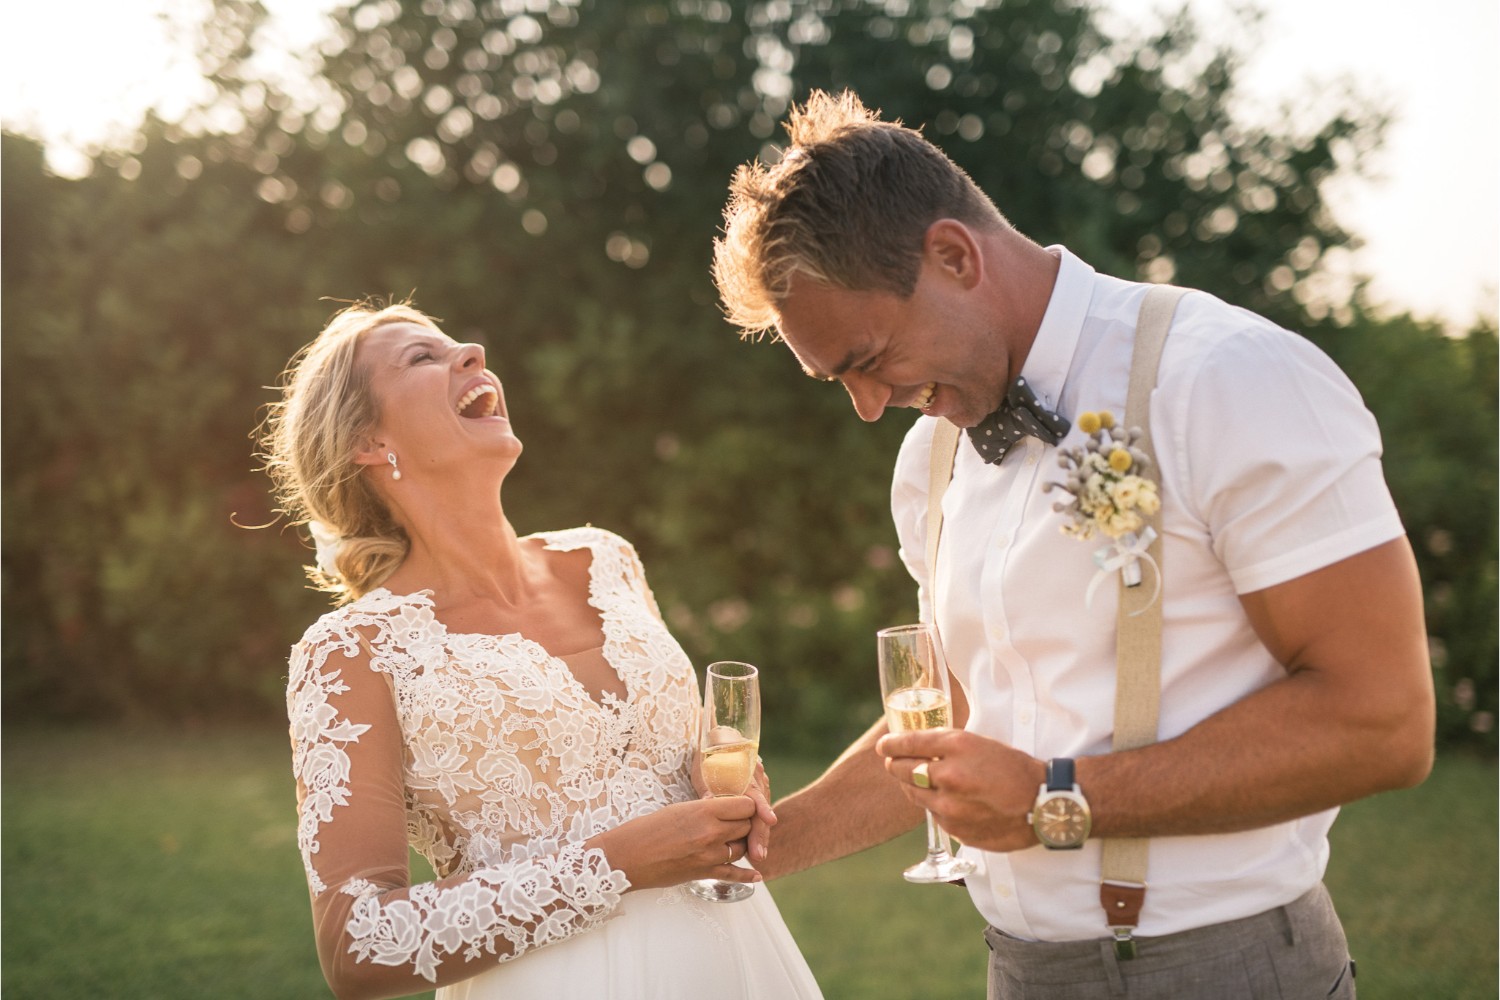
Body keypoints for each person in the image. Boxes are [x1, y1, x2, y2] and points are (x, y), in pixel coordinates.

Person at [711, 90, 1434, 998]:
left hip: (1225, 968)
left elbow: (1385, 722)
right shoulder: (927, 459)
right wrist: (755, 848)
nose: (865, 404)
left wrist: (1061, 797)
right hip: (1018, 971)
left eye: (867, 360)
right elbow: (958, 713)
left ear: (953, 255)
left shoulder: (1227, 376)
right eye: (836, 381)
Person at [259, 302, 823, 1000]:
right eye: (421, 358)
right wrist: (615, 863)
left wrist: (718, 783)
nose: (469, 350)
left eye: (456, 343)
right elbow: (357, 944)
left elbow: (665, 760)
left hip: (735, 960)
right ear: (367, 442)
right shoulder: (350, 653)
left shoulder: (605, 559)